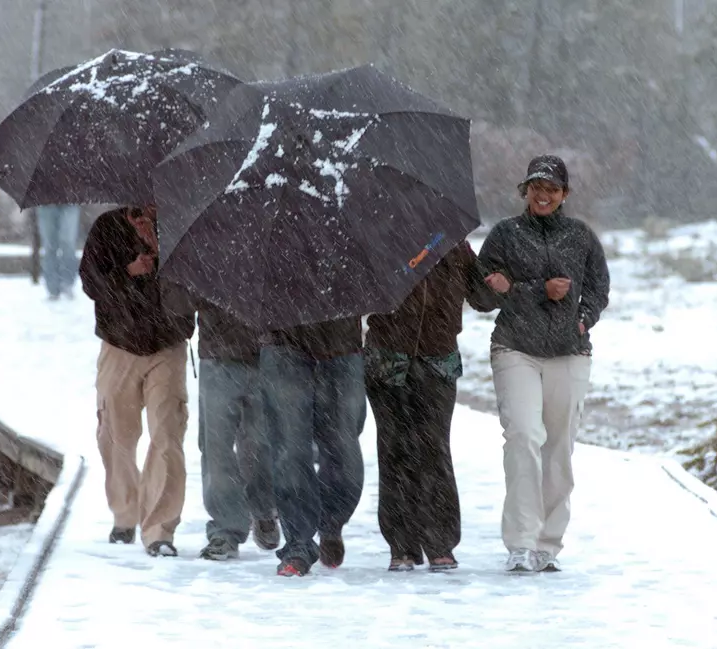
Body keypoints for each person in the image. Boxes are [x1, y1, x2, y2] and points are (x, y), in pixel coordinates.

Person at [477, 154, 610, 573]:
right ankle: (519, 541)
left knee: (558, 450)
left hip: (570, 352)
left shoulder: (581, 237)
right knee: (522, 437)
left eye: (552, 188)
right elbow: (481, 296)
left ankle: (547, 545)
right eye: (537, 187)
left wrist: (585, 318)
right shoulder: (504, 235)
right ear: (525, 191)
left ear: (565, 194)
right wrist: (532, 290)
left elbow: (599, 287)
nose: (543, 195)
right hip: (515, 348)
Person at [364, 241, 498, 572]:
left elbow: (482, 299)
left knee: (434, 449)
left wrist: (496, 285)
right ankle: (402, 546)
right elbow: (357, 295)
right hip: (387, 359)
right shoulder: (380, 242)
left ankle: (440, 542)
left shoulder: (453, 244)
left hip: (439, 359)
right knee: (394, 450)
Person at [79, 205, 196, 558]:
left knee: (167, 433)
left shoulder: (182, 225)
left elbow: (202, 281)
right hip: (119, 342)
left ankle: (159, 529)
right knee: (116, 434)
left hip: (168, 342)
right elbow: (90, 282)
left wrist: (164, 256)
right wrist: (127, 272)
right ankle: (126, 513)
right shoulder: (107, 226)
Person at [261, 318, 366, 576]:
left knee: (343, 448)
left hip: (341, 345)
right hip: (282, 343)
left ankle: (331, 522)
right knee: (289, 449)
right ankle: (298, 545)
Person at [196, 300, 280, 560]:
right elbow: (179, 299)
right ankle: (226, 529)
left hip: (267, 353)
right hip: (218, 354)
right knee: (216, 447)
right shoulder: (202, 258)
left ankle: (264, 510)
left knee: (260, 445)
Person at [35, 203, 81, 300]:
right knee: (49, 246)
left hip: (70, 199)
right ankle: (52, 288)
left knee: (68, 243)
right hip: (45, 201)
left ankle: (67, 283)